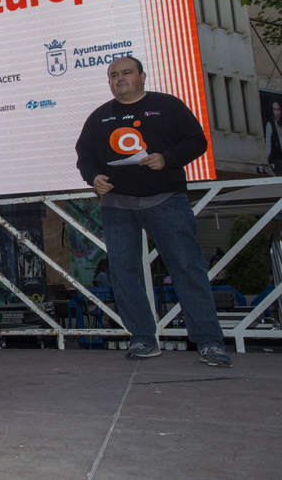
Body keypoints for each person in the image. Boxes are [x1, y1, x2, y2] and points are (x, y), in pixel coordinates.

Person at [75, 56, 232, 367]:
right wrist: (93, 177)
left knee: (187, 269)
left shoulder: (168, 105)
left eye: (126, 73)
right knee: (123, 274)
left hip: (167, 200)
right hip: (117, 205)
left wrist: (167, 158)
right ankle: (143, 339)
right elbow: (85, 156)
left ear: (142, 76)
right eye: (113, 75)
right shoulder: (99, 116)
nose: (119, 79)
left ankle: (209, 342)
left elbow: (197, 142)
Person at [265, 100, 282, 175]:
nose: (277, 113)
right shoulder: (270, 126)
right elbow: (268, 145)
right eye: (274, 109)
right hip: (276, 166)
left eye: (278, 109)